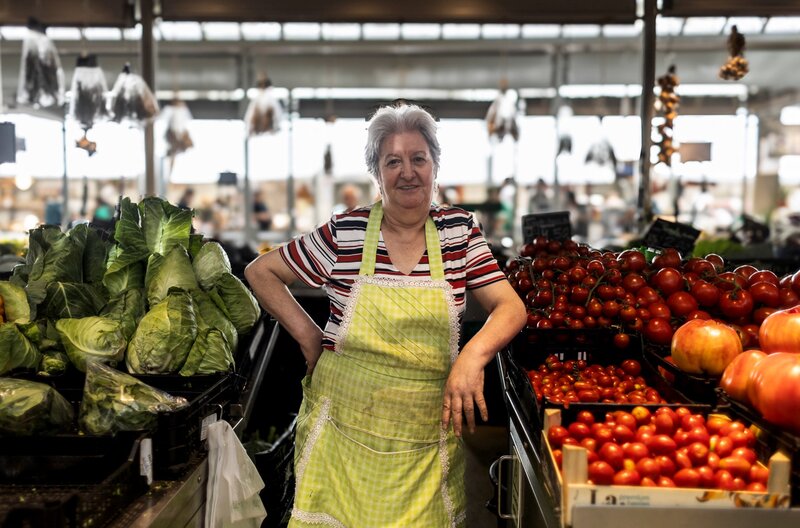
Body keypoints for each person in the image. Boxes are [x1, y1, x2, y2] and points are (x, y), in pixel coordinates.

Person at [244, 103, 526, 527]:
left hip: (424, 440)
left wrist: (472, 357)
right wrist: (308, 334)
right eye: (393, 161)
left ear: (435, 165)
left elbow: (511, 307)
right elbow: (261, 272)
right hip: (342, 436)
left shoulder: (458, 231)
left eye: (418, 158)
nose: (407, 172)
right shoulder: (347, 232)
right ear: (376, 173)